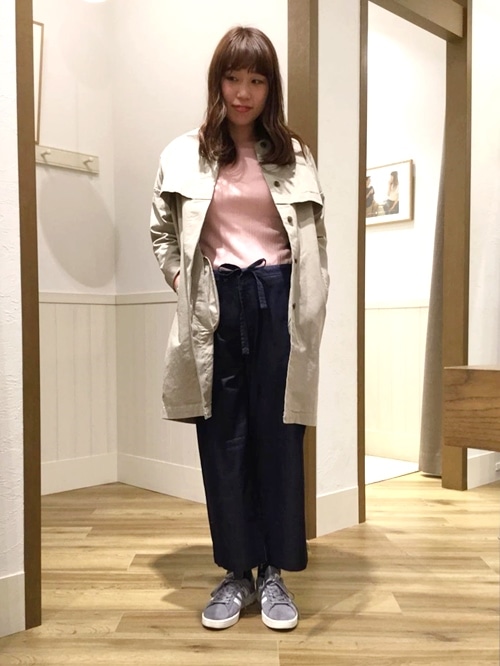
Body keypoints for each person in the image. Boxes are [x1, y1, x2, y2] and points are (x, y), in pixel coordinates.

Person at [150, 26, 329, 632]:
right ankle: (236, 571)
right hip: (216, 302)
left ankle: (274, 571)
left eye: (256, 79)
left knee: (279, 436)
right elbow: (162, 232)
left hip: (279, 299)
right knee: (223, 437)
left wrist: (310, 298)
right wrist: (183, 280)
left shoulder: (294, 155)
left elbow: (314, 236)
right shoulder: (183, 154)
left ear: (270, 87)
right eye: (233, 78)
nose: (243, 92)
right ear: (217, 82)